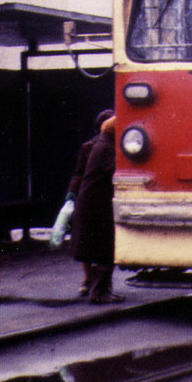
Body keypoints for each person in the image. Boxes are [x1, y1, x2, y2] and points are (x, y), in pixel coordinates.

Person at [69, 114, 124, 304]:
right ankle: (100, 293)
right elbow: (118, 170)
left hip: (93, 202)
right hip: (97, 205)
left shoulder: (102, 144)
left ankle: (99, 290)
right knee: (105, 248)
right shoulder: (106, 148)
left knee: (100, 247)